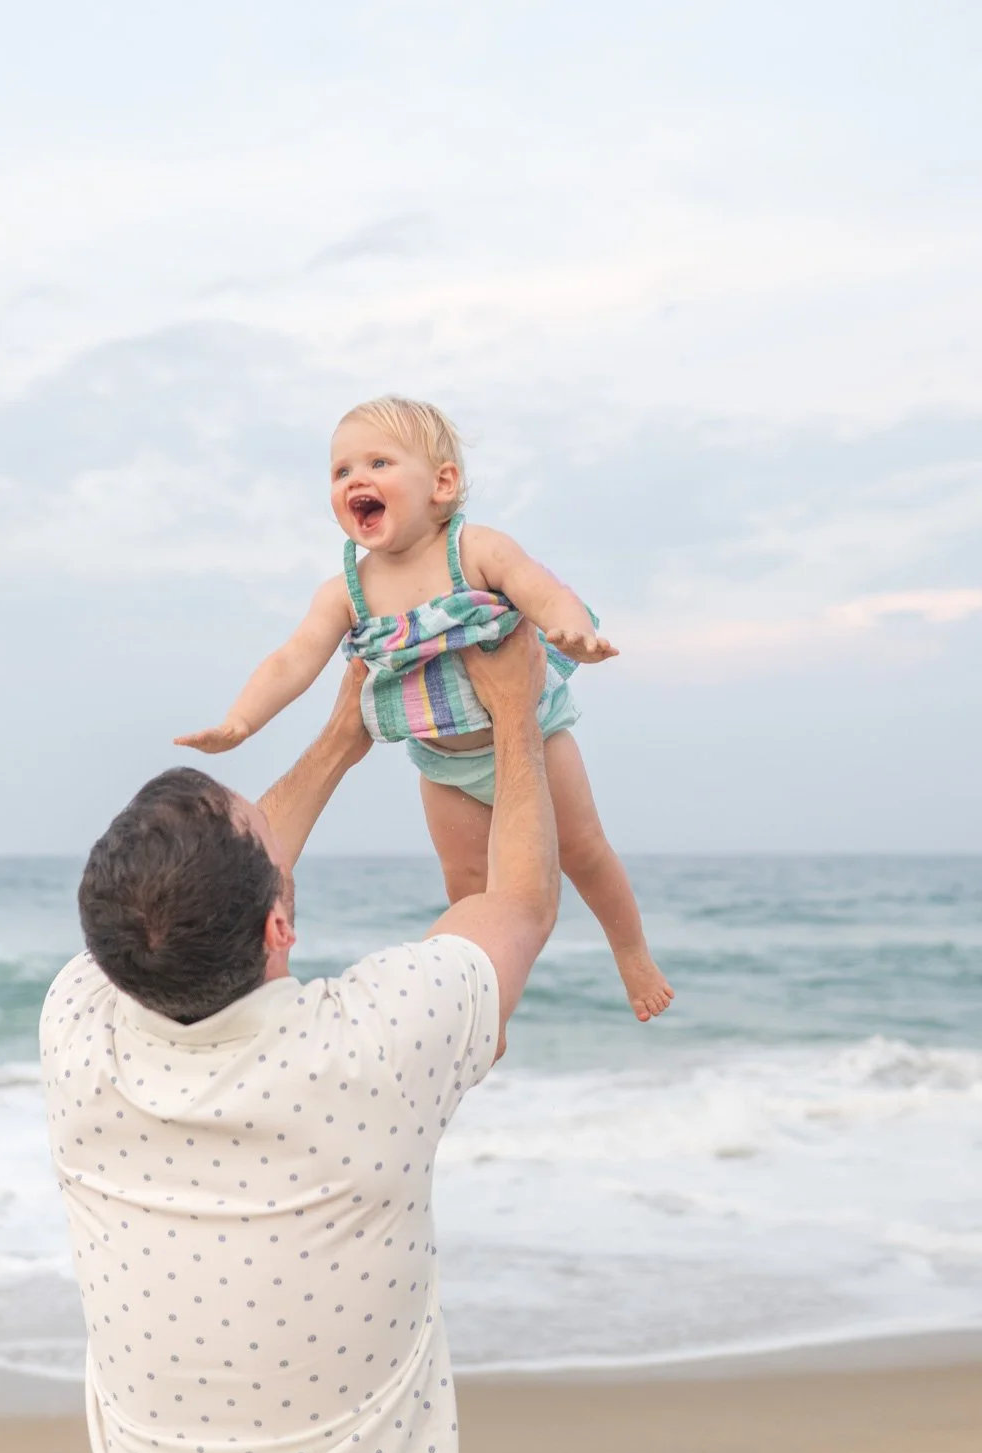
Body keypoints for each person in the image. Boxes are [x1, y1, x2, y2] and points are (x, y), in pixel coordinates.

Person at [42, 624, 560, 1453]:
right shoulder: (378, 1041)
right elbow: (515, 905)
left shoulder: (76, 1030)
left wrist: (338, 741)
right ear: (279, 929)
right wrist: (515, 713)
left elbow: (199, 897)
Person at [175, 396, 671, 1023]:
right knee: (465, 882)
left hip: (533, 737)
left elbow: (541, 588)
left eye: (379, 462)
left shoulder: (474, 550)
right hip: (441, 760)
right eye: (340, 471)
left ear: (442, 483)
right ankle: (484, 1006)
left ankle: (631, 953)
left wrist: (573, 631)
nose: (356, 479)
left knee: (583, 851)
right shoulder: (348, 591)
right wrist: (241, 721)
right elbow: (291, 659)